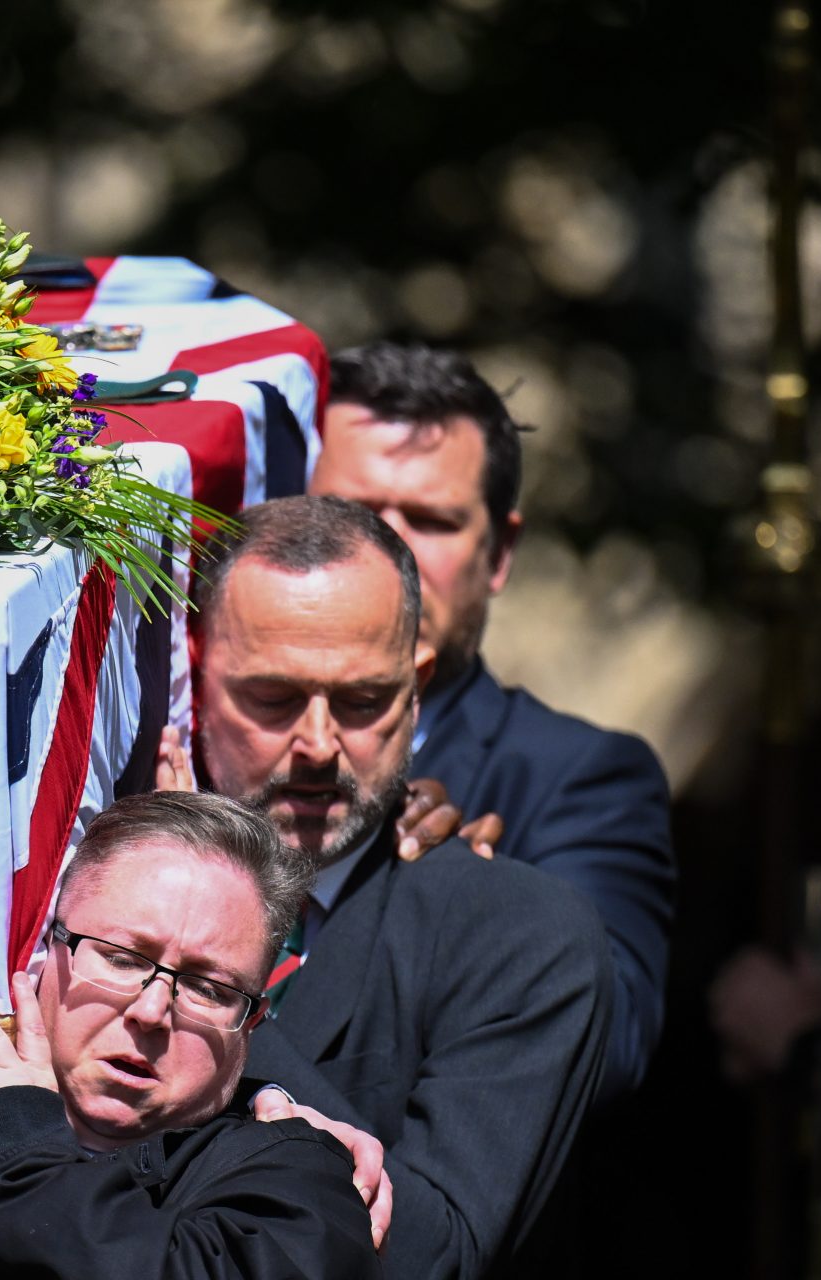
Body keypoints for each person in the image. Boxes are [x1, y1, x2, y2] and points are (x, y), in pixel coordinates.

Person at [187, 495, 611, 1279]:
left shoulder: (520, 937)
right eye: (273, 700)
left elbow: (430, 1249)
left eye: (362, 702)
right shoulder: (87, 896)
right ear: (194, 678)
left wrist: (199, 977)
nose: (317, 745)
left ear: (417, 688)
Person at [0, 790, 381, 1279]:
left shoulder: (300, 1185)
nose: (150, 1011)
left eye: (208, 988)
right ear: (44, 953)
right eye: (120, 957)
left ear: (250, 1024)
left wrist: (20, 1138)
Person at [307, 342, 674, 1102]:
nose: (391, 549)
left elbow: (611, 1048)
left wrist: (467, 905)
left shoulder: (583, 778)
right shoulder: (198, 737)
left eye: (432, 520)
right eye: (352, 513)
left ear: (500, 552)